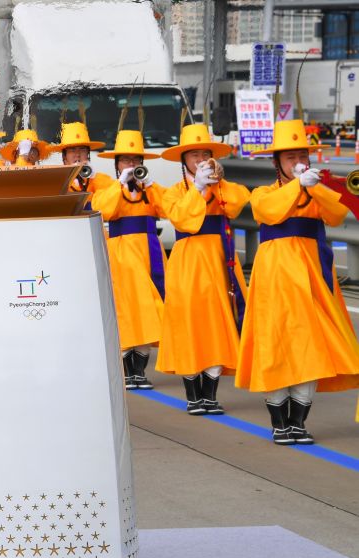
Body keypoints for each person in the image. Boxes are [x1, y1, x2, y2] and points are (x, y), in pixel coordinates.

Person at [235, 119, 359, 445]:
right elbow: (268, 213)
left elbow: (335, 215)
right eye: (289, 157)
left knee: (312, 345)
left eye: (301, 154)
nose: (297, 161)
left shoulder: (315, 189)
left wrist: (315, 186)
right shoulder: (264, 192)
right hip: (275, 273)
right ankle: (279, 423)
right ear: (276, 162)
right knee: (276, 344)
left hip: (314, 273)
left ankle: (298, 422)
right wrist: (298, 185)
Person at [157, 124, 250, 415]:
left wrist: (217, 182)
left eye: (204, 154)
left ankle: (209, 395)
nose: (200, 160)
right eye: (194, 155)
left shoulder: (221, 187)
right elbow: (183, 220)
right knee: (189, 324)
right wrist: (197, 187)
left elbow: (239, 201)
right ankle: (193, 395)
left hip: (219, 260)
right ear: (184, 160)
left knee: (217, 323)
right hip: (187, 261)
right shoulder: (173, 192)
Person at [92, 130, 166, 390]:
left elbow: (169, 207)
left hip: (147, 253)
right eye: (125, 161)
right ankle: (126, 368)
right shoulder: (109, 188)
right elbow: (103, 209)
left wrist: (152, 185)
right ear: (116, 165)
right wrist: (120, 184)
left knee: (146, 310)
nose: (131, 166)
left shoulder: (149, 189)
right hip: (121, 255)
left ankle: (140, 370)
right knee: (125, 311)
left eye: (135, 161)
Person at [49, 122, 113, 210]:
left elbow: (109, 202)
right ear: (64, 156)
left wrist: (94, 177)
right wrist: (71, 174)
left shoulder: (97, 179)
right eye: (72, 150)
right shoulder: (56, 180)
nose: (78, 155)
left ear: (88, 154)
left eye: (82, 150)